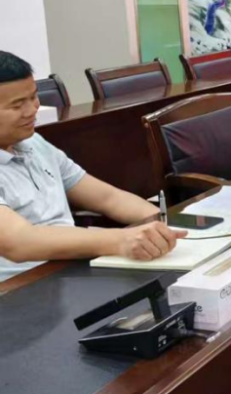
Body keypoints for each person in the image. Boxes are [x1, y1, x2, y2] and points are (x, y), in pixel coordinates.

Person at [0, 51, 186, 281]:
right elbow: (20, 242)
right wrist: (121, 240)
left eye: (33, 97)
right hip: (18, 286)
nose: (32, 110)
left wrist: (163, 225)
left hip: (67, 270)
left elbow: (108, 198)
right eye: (17, 105)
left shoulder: (34, 143)